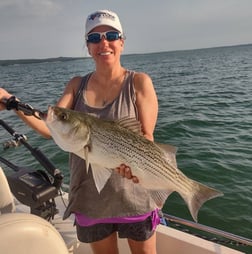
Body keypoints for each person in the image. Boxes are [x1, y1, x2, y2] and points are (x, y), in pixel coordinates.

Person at [0, 10, 159, 254]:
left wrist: (132, 164)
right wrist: (12, 103)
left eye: (111, 35)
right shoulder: (76, 85)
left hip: (134, 198)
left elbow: (147, 137)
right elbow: (49, 126)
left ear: (122, 42)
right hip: (90, 199)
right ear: (87, 47)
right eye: (94, 39)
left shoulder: (139, 82)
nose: (103, 43)